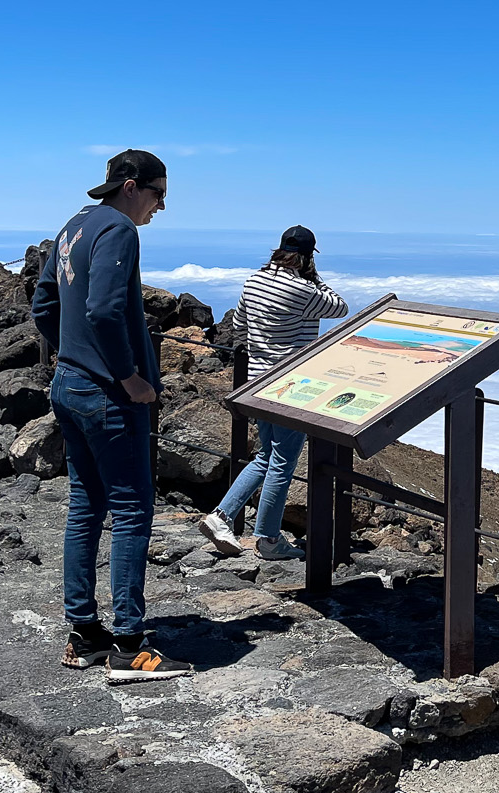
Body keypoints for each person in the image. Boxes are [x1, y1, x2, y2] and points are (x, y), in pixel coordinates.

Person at [32, 149, 191, 676]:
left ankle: (85, 634)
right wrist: (127, 376)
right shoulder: (120, 230)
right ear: (130, 185)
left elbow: (44, 306)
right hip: (109, 396)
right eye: (157, 192)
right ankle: (128, 645)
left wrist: (71, 353)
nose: (161, 205)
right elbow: (104, 309)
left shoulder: (73, 226)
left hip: (68, 385)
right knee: (130, 511)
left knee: (86, 506)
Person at [200, 226, 349, 560]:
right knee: (282, 463)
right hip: (291, 386)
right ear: (308, 256)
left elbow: (239, 324)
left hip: (257, 383)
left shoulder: (254, 280)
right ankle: (267, 539)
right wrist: (314, 278)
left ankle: (221, 516)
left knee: (266, 456)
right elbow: (340, 307)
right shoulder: (303, 289)